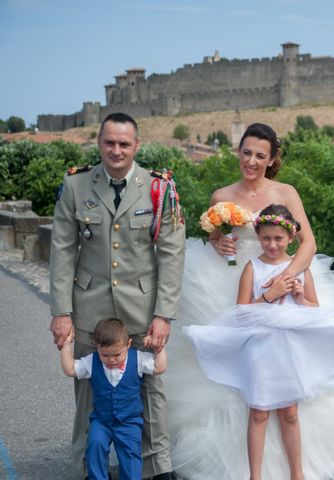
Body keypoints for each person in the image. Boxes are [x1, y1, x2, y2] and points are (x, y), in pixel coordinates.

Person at [164, 125, 334, 479]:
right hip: (234, 282)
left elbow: (307, 243)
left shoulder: (286, 192)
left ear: (272, 159)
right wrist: (219, 243)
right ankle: (235, 466)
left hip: (284, 274)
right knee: (226, 375)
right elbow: (218, 236)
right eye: (246, 152)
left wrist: (285, 280)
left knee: (293, 372)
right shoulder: (222, 194)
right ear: (238, 151)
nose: (251, 161)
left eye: (260, 155)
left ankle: (295, 468)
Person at [49, 112, 185, 480]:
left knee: (150, 392)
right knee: (88, 391)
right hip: (88, 307)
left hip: (141, 307)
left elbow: (172, 252)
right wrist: (61, 311)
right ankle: (85, 467)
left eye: (124, 143)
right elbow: (62, 250)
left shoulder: (159, 188)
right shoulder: (76, 186)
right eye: (109, 142)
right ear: (99, 143)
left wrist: (164, 314)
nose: (116, 150)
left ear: (137, 145)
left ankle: (157, 466)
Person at [60, 318, 167, 480]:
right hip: (101, 421)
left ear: (129, 344)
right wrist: (66, 346)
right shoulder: (92, 361)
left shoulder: (137, 359)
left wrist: (159, 350)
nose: (111, 359)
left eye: (118, 354)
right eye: (105, 355)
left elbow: (160, 368)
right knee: (95, 446)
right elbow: (70, 369)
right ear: (97, 347)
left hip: (129, 422)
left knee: (131, 456)